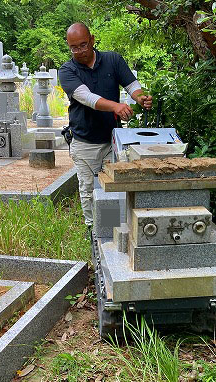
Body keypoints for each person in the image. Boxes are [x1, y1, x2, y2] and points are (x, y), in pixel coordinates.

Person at [59, 22, 153, 230]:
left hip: (112, 140)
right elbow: (87, 98)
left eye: (83, 45)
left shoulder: (112, 60)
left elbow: (131, 85)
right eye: (74, 48)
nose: (80, 52)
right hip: (85, 142)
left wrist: (140, 98)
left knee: (111, 186)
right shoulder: (67, 70)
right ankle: (93, 231)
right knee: (87, 189)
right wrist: (116, 107)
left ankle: (108, 231)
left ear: (92, 40)